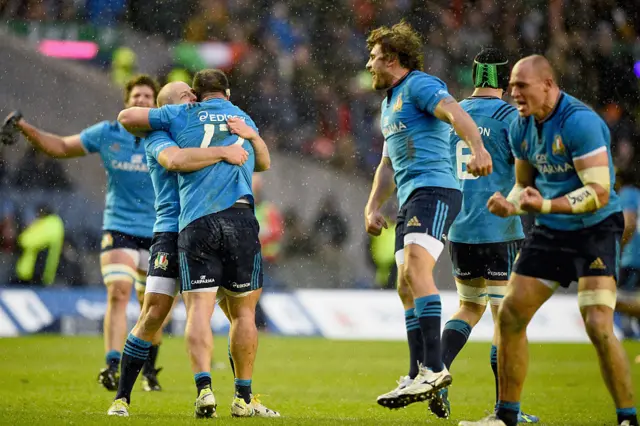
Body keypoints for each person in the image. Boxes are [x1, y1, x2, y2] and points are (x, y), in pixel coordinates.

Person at [459, 55, 638, 426]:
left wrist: (547, 203)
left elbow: (600, 192)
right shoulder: (521, 126)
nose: (513, 92)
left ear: (548, 85)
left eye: (521, 85)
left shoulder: (580, 123)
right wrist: (509, 205)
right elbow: (524, 184)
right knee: (509, 315)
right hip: (552, 230)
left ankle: (627, 419)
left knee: (598, 324)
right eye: (511, 85)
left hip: (596, 229)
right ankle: (505, 416)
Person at [117, 69, 280, 418]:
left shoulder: (191, 121)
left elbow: (259, 162)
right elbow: (176, 161)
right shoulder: (160, 135)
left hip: (198, 226)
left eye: (191, 96)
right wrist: (224, 151)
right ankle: (122, 396)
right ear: (168, 108)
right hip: (171, 232)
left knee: (237, 314)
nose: (190, 101)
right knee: (155, 313)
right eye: (183, 97)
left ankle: (242, 397)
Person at [1, 75, 167, 392]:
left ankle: (149, 367)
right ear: (126, 102)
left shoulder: (165, 136)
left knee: (152, 307)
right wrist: (25, 128)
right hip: (120, 228)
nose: (141, 101)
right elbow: (62, 146)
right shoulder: (108, 134)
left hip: (159, 231)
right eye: (136, 96)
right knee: (119, 292)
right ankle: (112, 364)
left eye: (148, 96)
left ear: (156, 103)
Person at [363, 21, 492, 410]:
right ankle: (419, 372)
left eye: (373, 57)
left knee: (416, 270)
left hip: (435, 189)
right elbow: (387, 165)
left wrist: (478, 147)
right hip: (410, 197)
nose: (368, 64)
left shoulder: (419, 85)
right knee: (405, 284)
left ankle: (434, 368)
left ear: (393, 58)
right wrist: (372, 205)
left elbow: (454, 112)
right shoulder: (389, 103)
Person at [429, 48, 537, 423]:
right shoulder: (512, 118)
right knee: (503, 319)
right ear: (505, 81)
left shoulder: (452, 114)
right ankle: (506, 409)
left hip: (459, 230)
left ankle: (435, 372)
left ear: (474, 75)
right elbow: (528, 174)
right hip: (500, 229)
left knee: (469, 306)